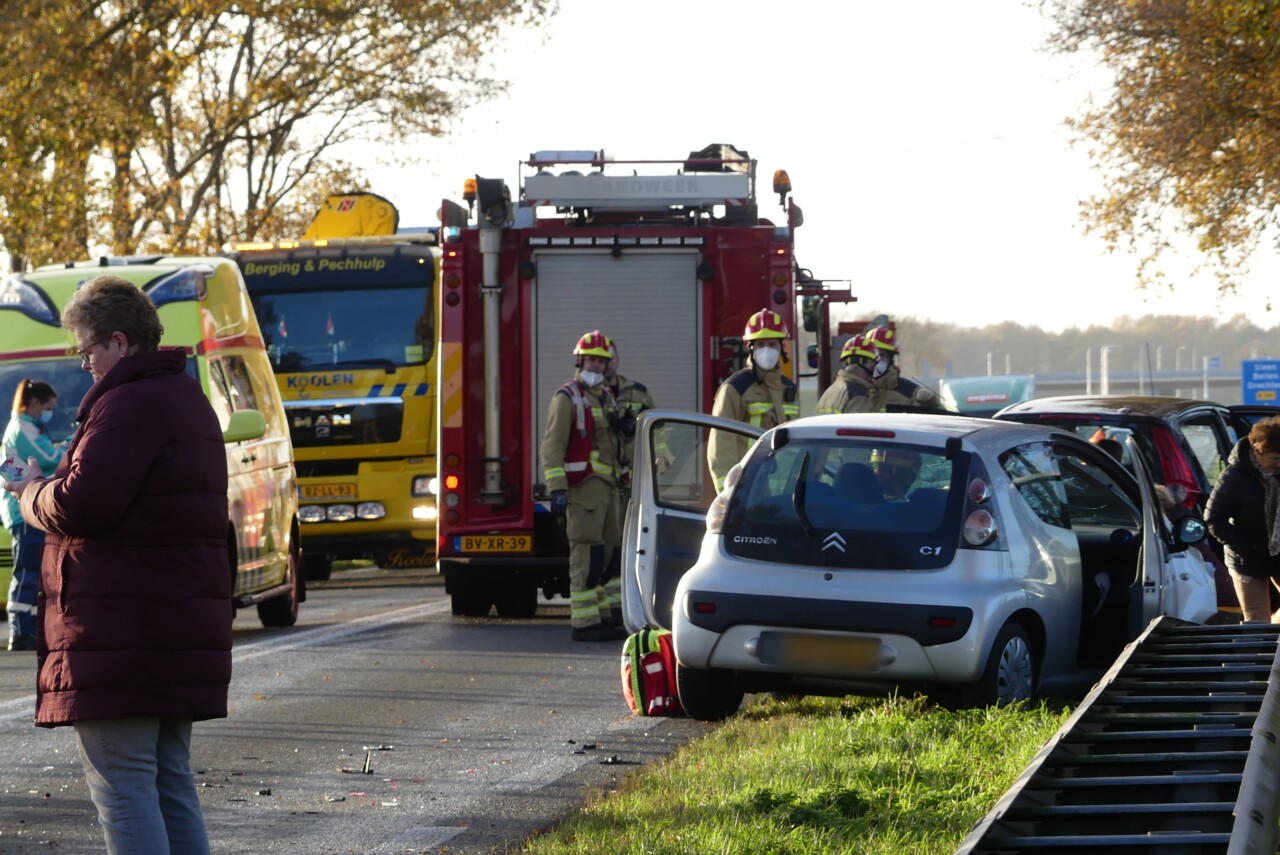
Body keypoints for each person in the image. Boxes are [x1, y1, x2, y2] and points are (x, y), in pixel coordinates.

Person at [4, 275, 230, 853]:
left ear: (120, 342)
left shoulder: (127, 405)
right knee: (170, 785)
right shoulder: (187, 400)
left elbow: (84, 502)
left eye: (87, 351)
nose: (85, 366)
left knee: (124, 788)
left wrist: (30, 494)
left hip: (121, 637)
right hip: (172, 631)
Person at [541, 330, 629, 642]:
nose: (596, 366)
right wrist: (558, 489)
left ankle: (602, 617)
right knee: (586, 555)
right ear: (580, 361)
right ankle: (584, 623)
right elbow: (552, 447)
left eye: (601, 361)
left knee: (607, 556)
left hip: (607, 489)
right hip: (583, 489)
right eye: (591, 359)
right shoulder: (567, 397)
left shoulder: (605, 398)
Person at [2, 380, 65, 652]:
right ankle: (20, 632)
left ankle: (24, 629)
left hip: (25, 507)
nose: (47, 414)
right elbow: (51, 456)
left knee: (32, 572)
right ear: (36, 403)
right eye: (46, 408)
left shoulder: (22, 427)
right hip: (23, 511)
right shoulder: (24, 427)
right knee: (27, 571)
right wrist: (75, 447)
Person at [707, 308, 800, 491]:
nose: (767, 350)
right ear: (750, 348)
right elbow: (721, 444)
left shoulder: (789, 388)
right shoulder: (735, 388)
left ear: (782, 347)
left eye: (772, 344)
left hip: (784, 493)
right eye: (760, 344)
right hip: (747, 489)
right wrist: (728, 492)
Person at [1204, 416, 1280, 623]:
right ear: (1257, 451)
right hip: (1248, 560)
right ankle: (1260, 654)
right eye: (1274, 459)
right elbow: (1213, 520)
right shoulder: (1234, 477)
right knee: (1257, 619)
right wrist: (1248, 549)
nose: (1279, 464)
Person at [862, 326, 940, 411]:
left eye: (882, 355)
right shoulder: (855, 389)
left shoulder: (908, 391)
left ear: (890, 359)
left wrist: (931, 403)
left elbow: (938, 417)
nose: (876, 360)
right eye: (872, 354)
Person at [816, 333, 878, 415]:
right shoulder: (858, 395)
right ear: (867, 363)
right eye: (873, 363)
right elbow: (859, 427)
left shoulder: (829, 392)